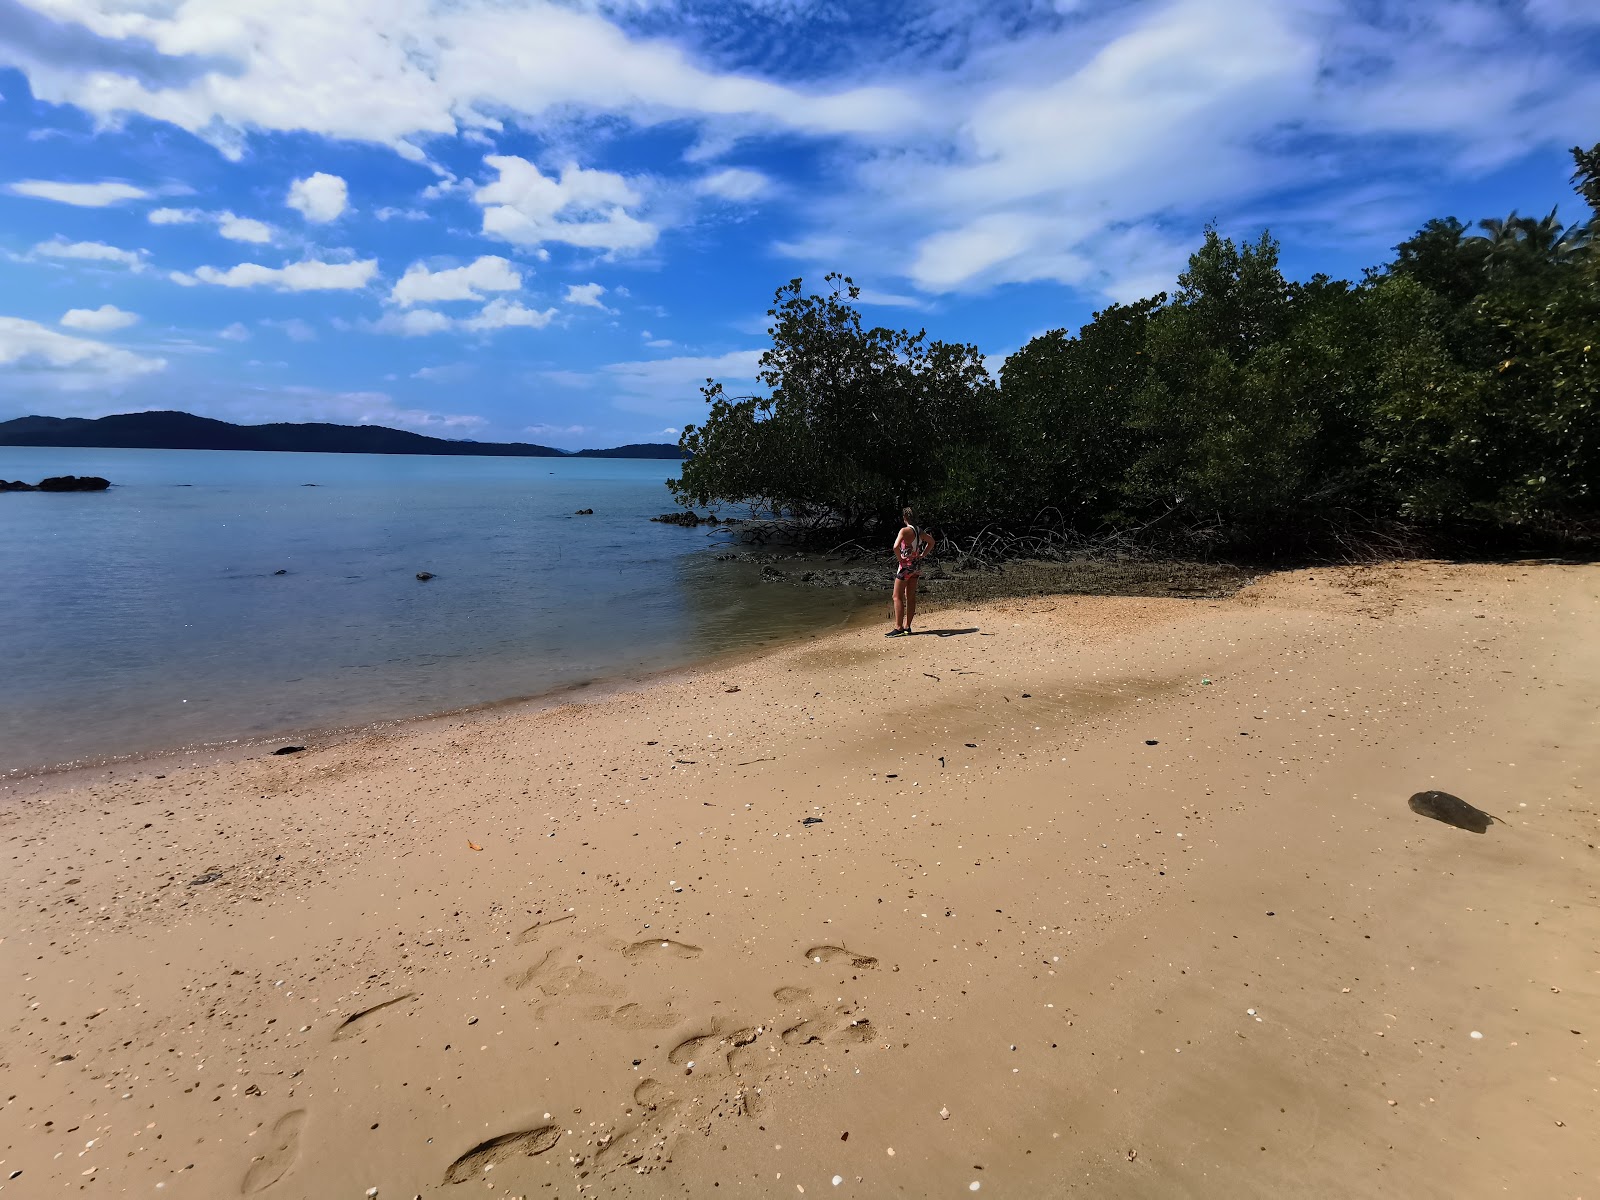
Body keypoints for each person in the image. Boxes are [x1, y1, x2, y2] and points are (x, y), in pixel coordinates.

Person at [887, 507, 934, 637]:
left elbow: (895, 547)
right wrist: (923, 554)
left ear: (905, 518)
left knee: (897, 596)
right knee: (910, 596)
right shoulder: (920, 531)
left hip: (905, 566)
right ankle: (908, 626)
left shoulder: (904, 530)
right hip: (916, 566)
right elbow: (931, 542)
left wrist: (900, 558)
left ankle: (898, 627)